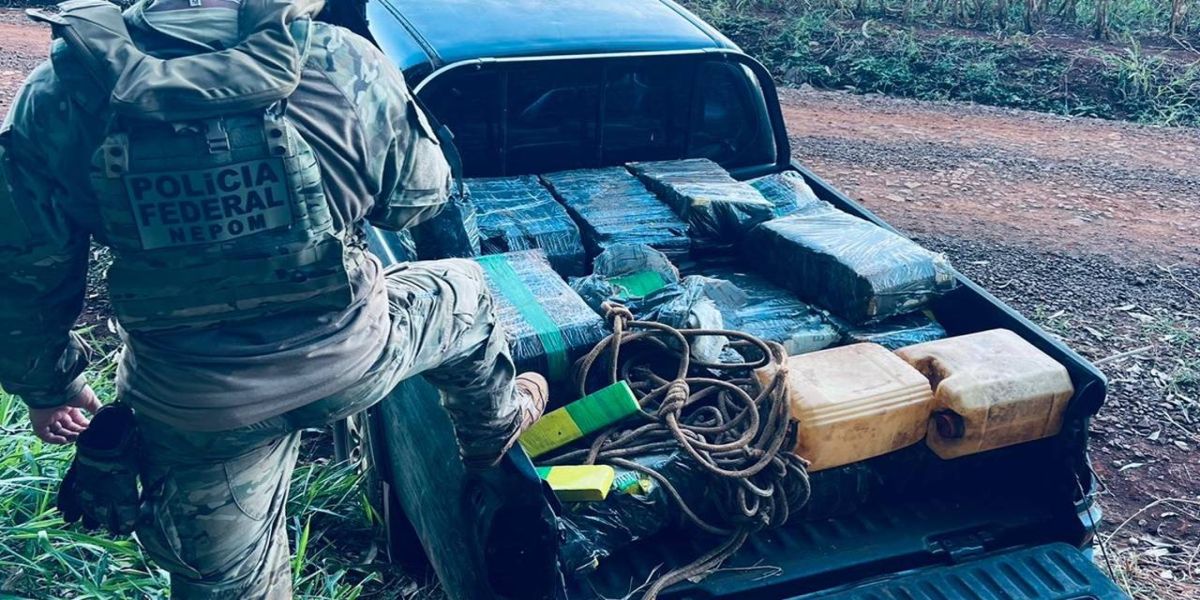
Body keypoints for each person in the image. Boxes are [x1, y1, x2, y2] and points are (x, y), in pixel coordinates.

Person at [0, 0, 547, 596]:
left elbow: (26, 274)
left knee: (231, 586)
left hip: (196, 411)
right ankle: (493, 427)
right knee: (464, 288)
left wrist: (49, 387)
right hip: (355, 360)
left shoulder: (60, 88)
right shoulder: (342, 60)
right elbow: (417, 200)